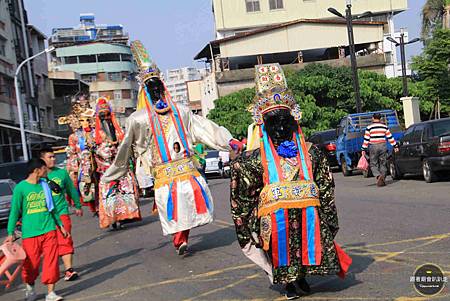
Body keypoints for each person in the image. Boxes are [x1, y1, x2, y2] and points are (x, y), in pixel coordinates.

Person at [101, 40, 242, 255]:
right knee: (174, 210)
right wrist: (116, 171)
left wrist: (228, 140)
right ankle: (180, 241)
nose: (157, 91)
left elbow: (204, 127)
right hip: (163, 173)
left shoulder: (181, 111)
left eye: (159, 86)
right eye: (152, 88)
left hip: (186, 169)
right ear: (145, 92)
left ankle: (182, 238)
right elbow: (126, 146)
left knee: (188, 203)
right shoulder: (138, 119)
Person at [230, 64, 351, 300]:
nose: (281, 127)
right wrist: (248, 226)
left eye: (285, 121)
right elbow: (244, 197)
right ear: (263, 124)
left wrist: (328, 215)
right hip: (274, 217)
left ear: (294, 119)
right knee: (280, 243)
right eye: (274, 122)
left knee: (305, 239)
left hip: (306, 209)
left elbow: (326, 187)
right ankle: (287, 282)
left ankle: (301, 275)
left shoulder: (311, 153)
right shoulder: (253, 161)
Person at [4, 158, 69, 301]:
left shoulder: (45, 185)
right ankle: (30, 290)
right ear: (36, 171)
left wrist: (61, 226)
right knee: (31, 266)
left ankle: (51, 293)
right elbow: (14, 211)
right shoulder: (21, 188)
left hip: (49, 230)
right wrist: (10, 232)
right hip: (30, 233)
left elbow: (53, 209)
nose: (47, 171)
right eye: (44, 168)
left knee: (51, 261)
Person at [94, 97, 141, 229]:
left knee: (127, 187)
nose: (106, 118)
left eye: (108, 114)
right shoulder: (96, 134)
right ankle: (112, 218)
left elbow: (125, 145)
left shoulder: (117, 130)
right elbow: (97, 150)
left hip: (120, 164)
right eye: (102, 115)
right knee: (110, 193)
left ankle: (126, 215)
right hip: (107, 167)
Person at [40, 148, 83, 281]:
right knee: (48, 245)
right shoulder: (37, 176)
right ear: (42, 160)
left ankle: (69, 270)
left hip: (61, 213)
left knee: (65, 239)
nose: (53, 159)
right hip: (44, 217)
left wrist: (77, 205)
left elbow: (71, 190)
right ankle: (52, 270)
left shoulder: (62, 173)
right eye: (50, 157)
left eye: (53, 157)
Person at [59, 100, 98, 214]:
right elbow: (72, 153)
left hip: (95, 158)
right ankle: (92, 205)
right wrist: (73, 166)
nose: (83, 122)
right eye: (80, 120)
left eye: (85, 119)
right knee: (83, 182)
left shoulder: (94, 132)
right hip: (82, 162)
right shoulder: (73, 136)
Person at [361, 112, 399, 187]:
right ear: (380, 118)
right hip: (383, 146)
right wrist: (395, 146)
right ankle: (383, 177)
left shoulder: (369, 127)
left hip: (373, 146)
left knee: (373, 163)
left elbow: (366, 139)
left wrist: (363, 149)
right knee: (383, 163)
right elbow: (390, 137)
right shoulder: (384, 127)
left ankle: (378, 176)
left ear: (373, 118)